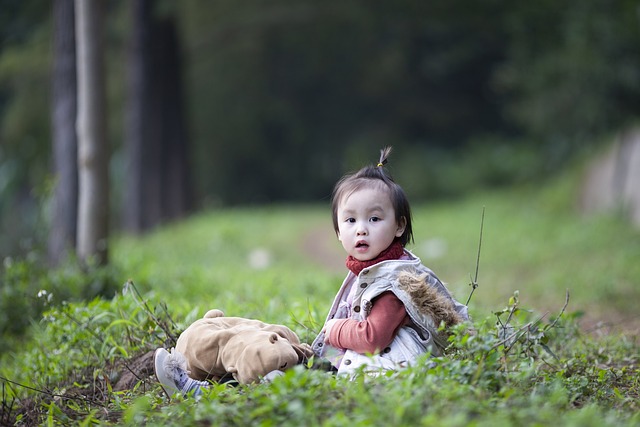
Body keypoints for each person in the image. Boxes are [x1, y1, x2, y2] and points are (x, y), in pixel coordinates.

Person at [310, 146, 469, 377]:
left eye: (374, 219)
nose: (361, 230)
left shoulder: (393, 282)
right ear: (337, 230)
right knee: (316, 362)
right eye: (350, 220)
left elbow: (372, 338)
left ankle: (332, 371)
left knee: (343, 356)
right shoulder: (369, 271)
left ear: (399, 226)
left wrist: (335, 329)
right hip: (380, 355)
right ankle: (326, 368)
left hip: (397, 363)